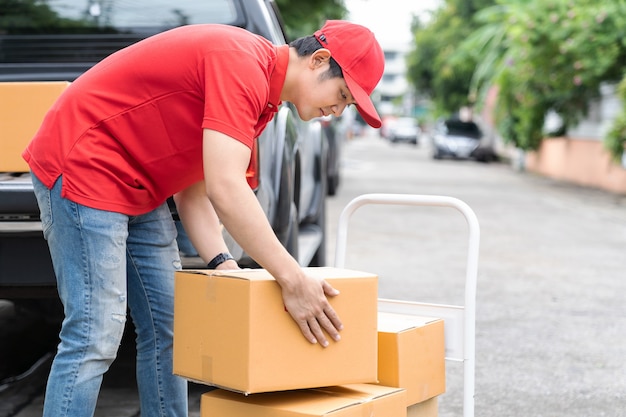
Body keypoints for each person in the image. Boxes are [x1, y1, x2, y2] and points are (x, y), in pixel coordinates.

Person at [23, 19, 384, 417]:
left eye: (347, 105)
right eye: (343, 94)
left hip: (141, 186)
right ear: (319, 60)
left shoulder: (263, 99)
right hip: (84, 164)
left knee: (172, 327)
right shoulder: (240, 63)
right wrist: (293, 278)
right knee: (96, 334)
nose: (337, 110)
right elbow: (227, 190)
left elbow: (195, 189)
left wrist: (223, 266)